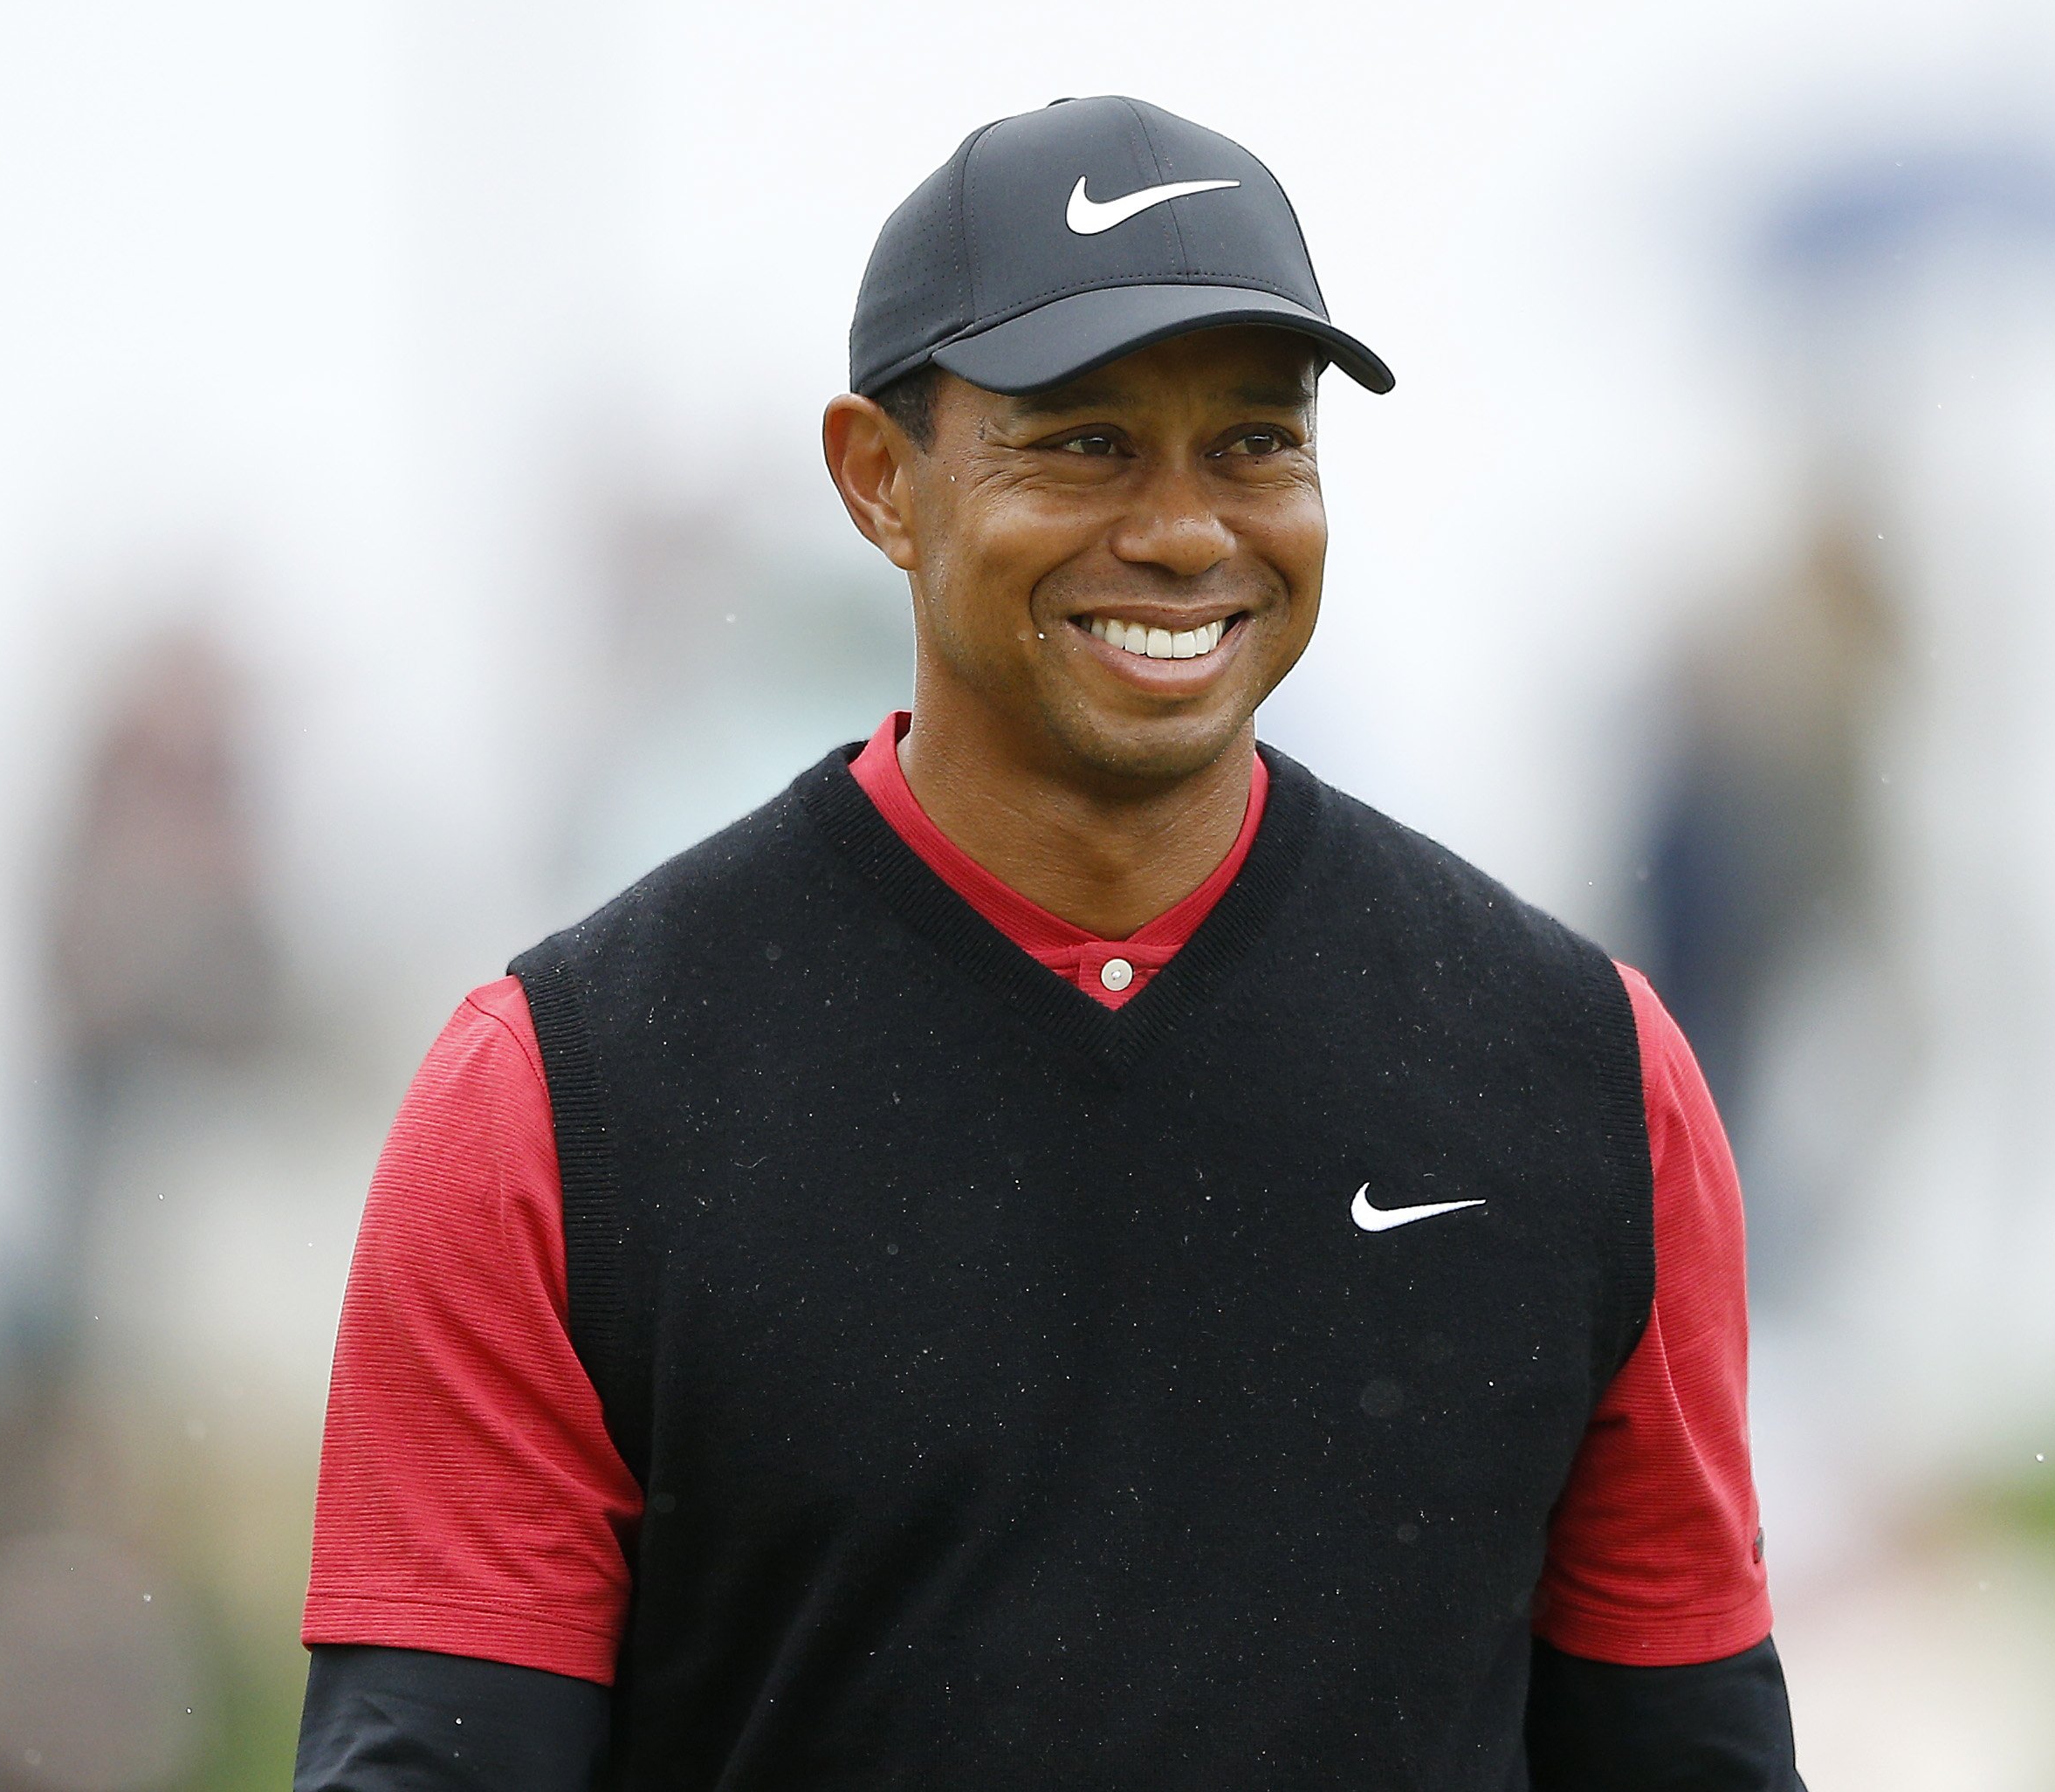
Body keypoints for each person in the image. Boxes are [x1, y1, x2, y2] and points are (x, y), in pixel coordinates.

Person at [293, 95, 1801, 1789]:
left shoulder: (1578, 1075)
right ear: (881, 478)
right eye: (1083, 442)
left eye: (1254, 441)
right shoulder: (566, 1101)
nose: (1181, 528)